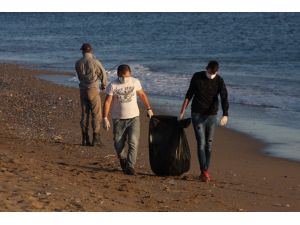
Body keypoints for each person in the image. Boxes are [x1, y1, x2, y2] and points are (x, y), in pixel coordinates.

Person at [179, 61, 229, 182]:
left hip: (211, 115)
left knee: (209, 143)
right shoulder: (197, 76)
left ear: (217, 71)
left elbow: (224, 97)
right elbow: (189, 94)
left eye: (214, 73)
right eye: (210, 73)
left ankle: (205, 171)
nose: (212, 75)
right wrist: (182, 111)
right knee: (201, 142)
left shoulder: (219, 80)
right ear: (206, 68)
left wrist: (225, 114)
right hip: (197, 113)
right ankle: (204, 171)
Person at [102, 64, 154, 175]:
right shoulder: (113, 85)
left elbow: (142, 95)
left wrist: (149, 108)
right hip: (118, 119)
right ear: (118, 75)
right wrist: (105, 117)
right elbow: (107, 102)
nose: (125, 79)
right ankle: (123, 159)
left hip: (134, 118)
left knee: (133, 142)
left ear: (130, 75)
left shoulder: (135, 82)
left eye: (127, 76)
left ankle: (130, 166)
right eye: (123, 76)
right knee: (118, 144)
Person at [75, 43, 107, 147]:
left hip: (83, 89)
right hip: (93, 89)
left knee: (85, 114)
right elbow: (103, 74)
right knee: (96, 114)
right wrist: (103, 85)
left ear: (82, 51)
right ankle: (95, 138)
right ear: (91, 51)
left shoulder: (78, 63)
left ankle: (85, 138)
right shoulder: (95, 61)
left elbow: (79, 75)